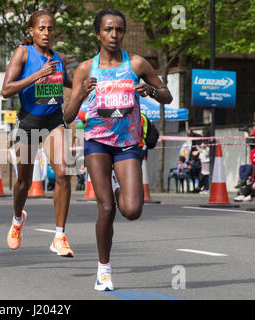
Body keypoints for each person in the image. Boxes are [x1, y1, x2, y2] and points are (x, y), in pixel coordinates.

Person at [63, 9, 173, 291]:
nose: (114, 35)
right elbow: (67, 116)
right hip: (97, 142)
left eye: (119, 30)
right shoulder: (87, 68)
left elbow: (166, 95)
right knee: (106, 208)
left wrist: (149, 90)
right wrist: (80, 94)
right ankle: (104, 270)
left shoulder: (136, 63)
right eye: (108, 30)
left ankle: (115, 188)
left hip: (127, 143)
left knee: (133, 209)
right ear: (98, 33)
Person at [1, 10, 74, 257]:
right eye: (41, 28)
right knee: (24, 182)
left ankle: (59, 236)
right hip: (28, 122)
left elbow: (73, 82)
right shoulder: (23, 53)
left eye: (50, 29)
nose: (46, 33)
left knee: (64, 174)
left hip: (54, 120)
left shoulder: (59, 58)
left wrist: (95, 81)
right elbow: (6, 90)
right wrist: (37, 75)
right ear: (31, 31)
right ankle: (17, 220)